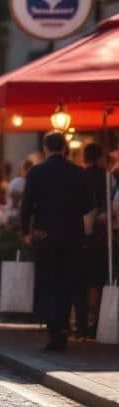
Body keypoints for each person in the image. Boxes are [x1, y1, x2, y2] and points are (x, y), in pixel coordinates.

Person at [21, 132, 94, 352]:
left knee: (48, 283)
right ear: (65, 148)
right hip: (72, 236)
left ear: (45, 148)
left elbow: (26, 206)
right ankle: (63, 326)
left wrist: (26, 231)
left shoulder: (36, 172)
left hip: (45, 237)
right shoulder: (78, 172)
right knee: (67, 283)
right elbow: (88, 205)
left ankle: (54, 331)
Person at [76, 143, 108, 340]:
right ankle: (96, 321)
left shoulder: (78, 176)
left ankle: (80, 325)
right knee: (98, 280)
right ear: (99, 158)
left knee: (80, 280)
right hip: (101, 235)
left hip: (80, 234)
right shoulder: (106, 176)